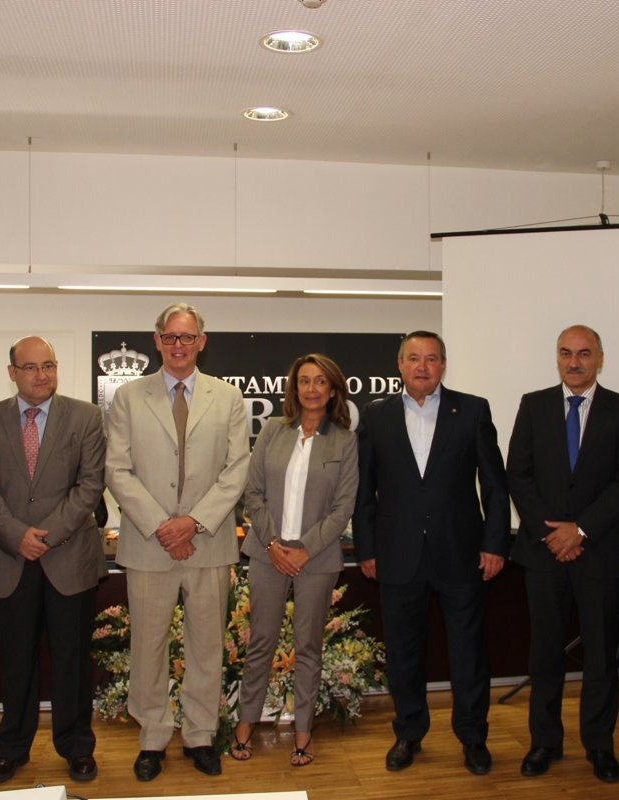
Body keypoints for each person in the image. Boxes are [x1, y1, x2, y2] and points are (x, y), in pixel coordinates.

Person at [352, 330, 510, 776]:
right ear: (399, 364)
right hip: (397, 554)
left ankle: (473, 738)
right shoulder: (376, 415)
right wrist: (367, 547)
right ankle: (409, 733)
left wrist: (495, 543)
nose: (422, 366)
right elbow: (365, 489)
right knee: (403, 654)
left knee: (468, 654)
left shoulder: (472, 410)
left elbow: (495, 486)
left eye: (432, 358)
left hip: (461, 553)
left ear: (443, 365)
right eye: (414, 358)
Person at [105, 302, 250, 780]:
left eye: (187, 337)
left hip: (208, 543)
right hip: (150, 544)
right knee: (148, 646)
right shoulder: (129, 398)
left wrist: (194, 522)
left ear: (201, 342)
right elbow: (117, 469)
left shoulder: (227, 398)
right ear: (157, 341)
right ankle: (152, 737)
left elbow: (237, 470)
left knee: (206, 646)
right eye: (170, 336)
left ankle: (200, 736)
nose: (179, 345)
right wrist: (162, 525)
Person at [506, 324, 619, 784]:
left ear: (600, 358)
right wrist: (553, 535)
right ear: (557, 358)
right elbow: (518, 474)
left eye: (584, 353)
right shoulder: (533, 405)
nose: (574, 362)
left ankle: (599, 745)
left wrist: (580, 530)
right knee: (545, 653)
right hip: (544, 552)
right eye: (566, 353)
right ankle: (544, 742)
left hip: (599, 553)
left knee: (601, 656)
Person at [0, 336, 106, 785]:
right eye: (30, 367)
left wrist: (45, 535)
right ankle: (11, 749)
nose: (41, 375)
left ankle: (76, 747)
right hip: (9, 560)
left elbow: (90, 485)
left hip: (68, 558)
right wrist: (16, 535)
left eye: (48, 365)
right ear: (12, 372)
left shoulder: (85, 417)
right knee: (15, 662)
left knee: (72, 661)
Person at [232, 353, 359, 767]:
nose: (311, 389)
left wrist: (305, 549)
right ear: (294, 388)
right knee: (261, 642)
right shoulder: (273, 430)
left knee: (308, 646)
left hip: (315, 559)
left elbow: (343, 508)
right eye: (304, 381)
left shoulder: (344, 440)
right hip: (267, 553)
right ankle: (245, 723)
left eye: (320, 381)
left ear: (333, 389)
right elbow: (252, 493)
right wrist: (273, 544)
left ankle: (303, 732)